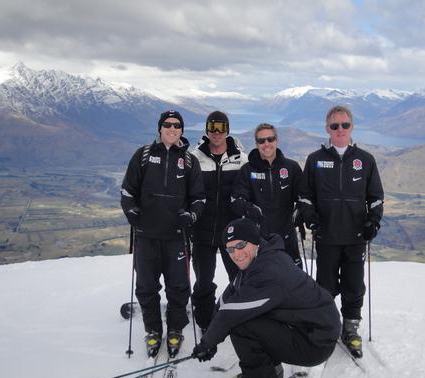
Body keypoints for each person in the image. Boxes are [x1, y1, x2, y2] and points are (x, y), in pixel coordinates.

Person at [192, 218, 341, 378]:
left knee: (241, 325)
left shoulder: (270, 270)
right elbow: (229, 297)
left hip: (314, 341)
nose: (235, 254)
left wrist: (208, 343)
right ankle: (268, 375)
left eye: (240, 245)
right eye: (230, 249)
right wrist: (211, 332)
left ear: (254, 242)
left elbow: (232, 313)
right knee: (246, 319)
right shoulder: (260, 258)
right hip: (304, 329)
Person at [298, 105, 384, 358]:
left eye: (345, 125)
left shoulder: (365, 160)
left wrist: (373, 222)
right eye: (335, 125)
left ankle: (351, 328)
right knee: (325, 286)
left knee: (354, 286)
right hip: (327, 236)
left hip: (356, 237)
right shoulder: (315, 160)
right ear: (327, 129)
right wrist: (310, 217)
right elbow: (305, 195)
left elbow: (376, 197)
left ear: (351, 127)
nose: (340, 130)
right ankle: (326, 325)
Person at [120, 110, 205, 358]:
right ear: (160, 128)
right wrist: (132, 212)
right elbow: (128, 191)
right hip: (146, 234)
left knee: (178, 287)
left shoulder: (189, 161)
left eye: (177, 125)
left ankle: (176, 328)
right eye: (167, 124)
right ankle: (153, 330)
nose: (172, 128)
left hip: (176, 236)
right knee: (146, 287)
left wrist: (191, 216)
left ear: (181, 130)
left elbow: (199, 198)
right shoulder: (144, 155)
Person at [190, 111, 247, 333]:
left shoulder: (241, 159)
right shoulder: (194, 158)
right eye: (212, 127)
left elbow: (249, 191)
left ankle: (236, 315)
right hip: (203, 232)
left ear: (228, 130)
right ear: (206, 129)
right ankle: (205, 321)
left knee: (238, 278)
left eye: (221, 127)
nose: (216, 132)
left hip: (231, 232)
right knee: (204, 280)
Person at [231, 123, 303, 267]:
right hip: (258, 239)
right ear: (256, 144)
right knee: (262, 285)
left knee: (293, 284)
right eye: (261, 141)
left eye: (270, 139)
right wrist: (249, 208)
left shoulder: (292, 168)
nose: (266, 144)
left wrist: (301, 211)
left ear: (276, 140)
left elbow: (303, 196)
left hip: (287, 238)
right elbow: (236, 200)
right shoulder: (247, 170)